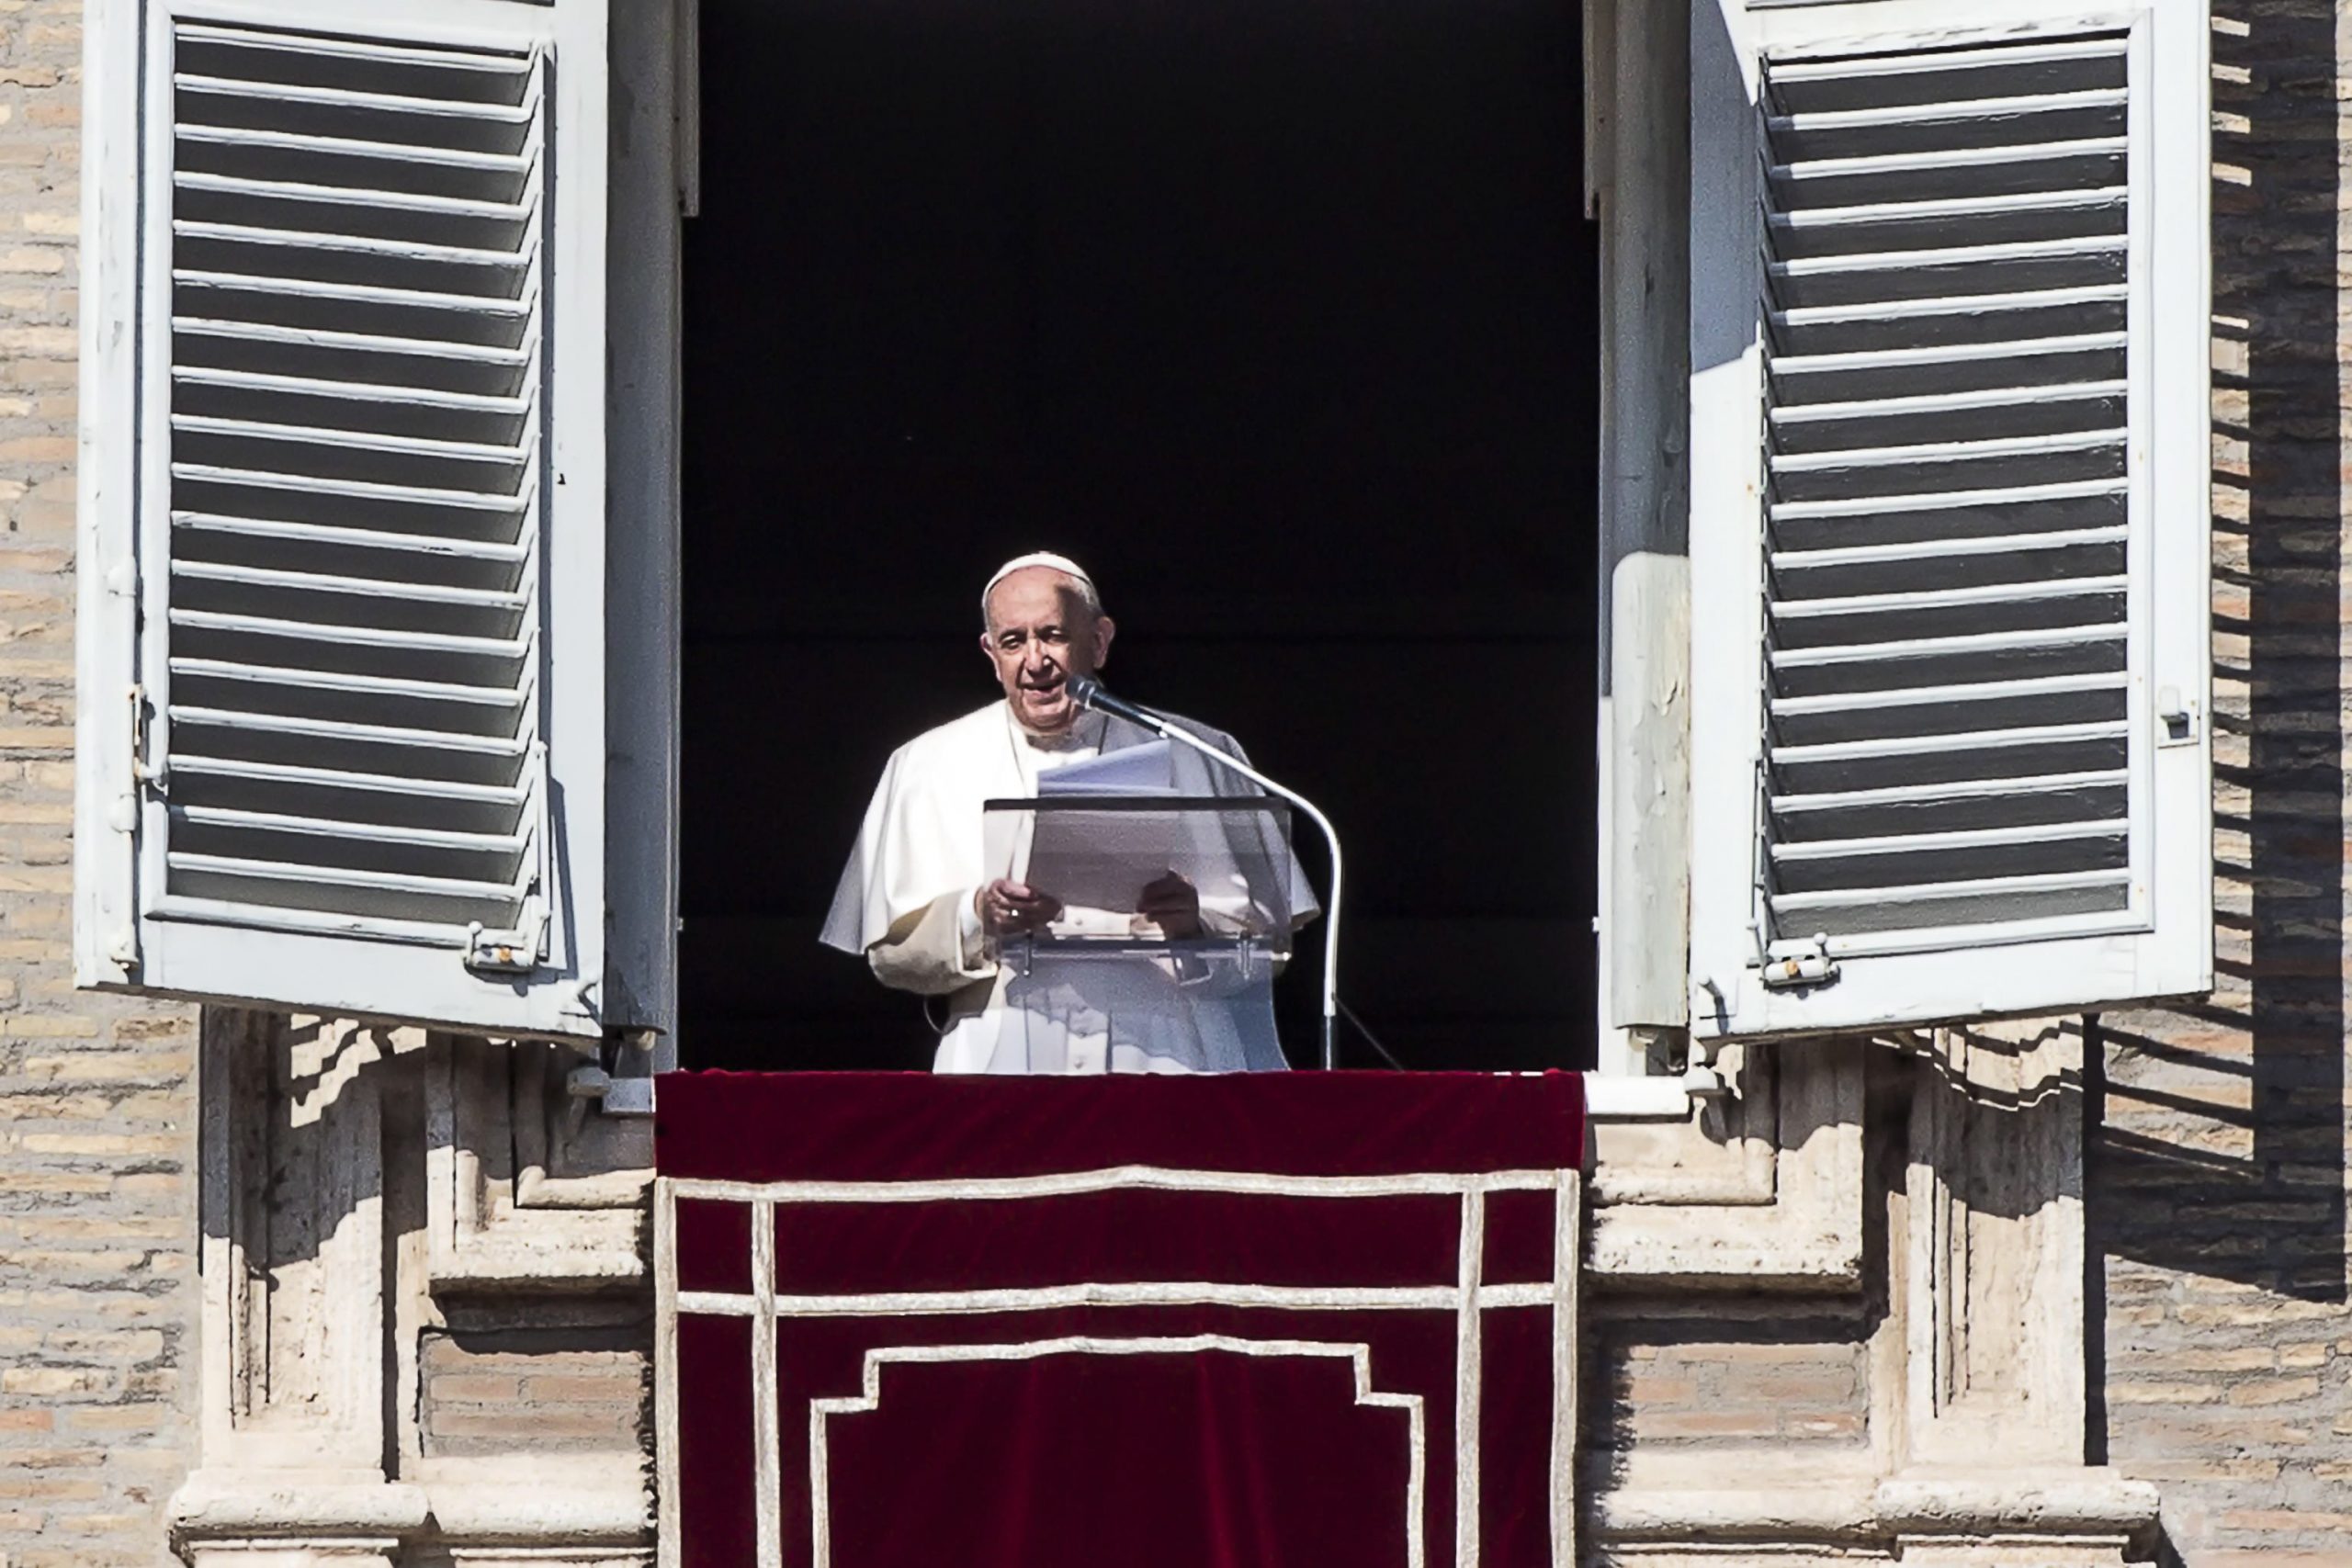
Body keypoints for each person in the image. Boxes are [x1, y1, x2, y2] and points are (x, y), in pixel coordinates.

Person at [820, 552, 1317, 1073]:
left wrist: (1194, 929)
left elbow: (1270, 950)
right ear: (992, 655)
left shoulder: (1199, 751)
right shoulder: (925, 763)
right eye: (1014, 642)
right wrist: (977, 916)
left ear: (1099, 642)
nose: (1035, 661)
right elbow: (891, 957)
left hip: (1170, 1060)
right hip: (1006, 1064)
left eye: (1053, 635)